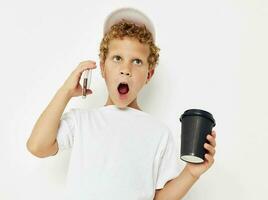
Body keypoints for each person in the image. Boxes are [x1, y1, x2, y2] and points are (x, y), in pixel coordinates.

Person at [26, 7, 217, 200]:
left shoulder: (159, 133)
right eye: (117, 58)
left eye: (137, 62)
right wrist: (65, 91)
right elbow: (38, 146)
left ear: (149, 74)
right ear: (102, 67)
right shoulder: (82, 121)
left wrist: (191, 173)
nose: (126, 69)